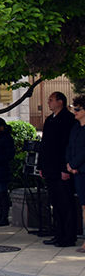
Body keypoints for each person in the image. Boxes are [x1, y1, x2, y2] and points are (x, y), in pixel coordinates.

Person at [39, 92, 78, 248]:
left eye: (51, 100)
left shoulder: (68, 120)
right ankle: (58, 233)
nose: (48, 103)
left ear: (60, 102)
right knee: (55, 203)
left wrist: (65, 169)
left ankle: (69, 236)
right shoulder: (49, 120)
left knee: (66, 203)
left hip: (61, 169)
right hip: (49, 169)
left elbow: (66, 146)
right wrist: (40, 166)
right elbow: (44, 145)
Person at [65, 95, 85, 253]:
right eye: (73, 108)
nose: (75, 111)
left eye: (78, 109)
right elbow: (70, 146)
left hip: (82, 169)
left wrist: (74, 164)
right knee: (83, 207)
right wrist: (69, 164)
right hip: (77, 172)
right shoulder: (75, 127)